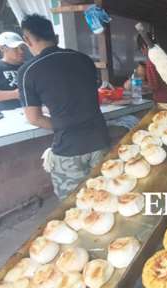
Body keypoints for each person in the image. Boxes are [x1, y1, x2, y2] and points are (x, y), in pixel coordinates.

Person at [18, 14, 110, 199]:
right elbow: (85, 97)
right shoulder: (84, 60)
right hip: (100, 140)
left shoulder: (28, 71)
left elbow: (34, 118)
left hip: (69, 148)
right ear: (55, 37)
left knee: (74, 205)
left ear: (27, 40)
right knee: (105, 197)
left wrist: (63, 122)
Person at [137, 33, 167, 104]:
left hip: (163, 101)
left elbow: (154, 86)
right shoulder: (162, 54)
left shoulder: (151, 62)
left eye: (141, 50)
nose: (143, 53)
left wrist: (139, 84)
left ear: (144, 47)